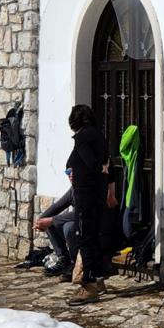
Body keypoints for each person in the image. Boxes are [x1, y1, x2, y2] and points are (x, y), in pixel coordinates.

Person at [66, 104, 110, 303]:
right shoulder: (99, 136)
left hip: (86, 194)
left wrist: (78, 174)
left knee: (85, 238)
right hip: (96, 194)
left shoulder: (83, 139)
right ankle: (98, 279)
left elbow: (90, 163)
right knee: (93, 235)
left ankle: (89, 285)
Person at [34, 188, 78, 278]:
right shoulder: (73, 189)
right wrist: (40, 221)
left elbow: (80, 213)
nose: (71, 175)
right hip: (79, 223)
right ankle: (63, 260)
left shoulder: (88, 187)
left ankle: (76, 264)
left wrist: (52, 220)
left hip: (93, 226)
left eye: (73, 173)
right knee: (48, 222)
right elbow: (58, 206)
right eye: (68, 172)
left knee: (68, 227)